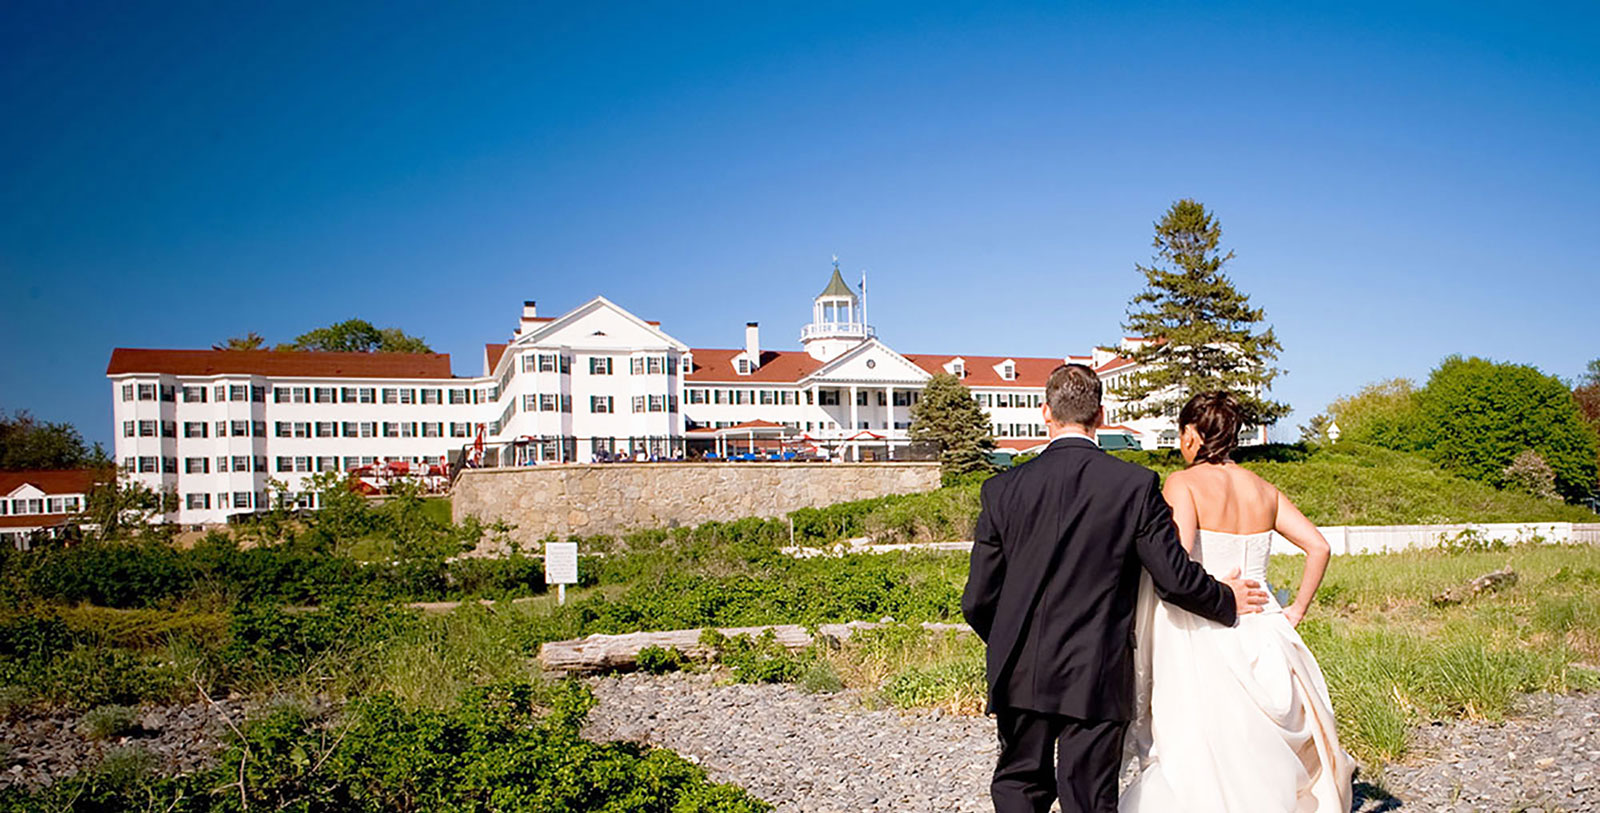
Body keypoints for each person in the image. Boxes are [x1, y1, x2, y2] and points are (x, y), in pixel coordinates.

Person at [962, 364, 1270, 813]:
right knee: (1089, 797)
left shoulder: (1001, 489)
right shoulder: (1134, 485)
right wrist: (1226, 598)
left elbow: (978, 598)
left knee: (1019, 786)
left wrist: (1011, 641)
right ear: (1101, 416)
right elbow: (1173, 578)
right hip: (1097, 668)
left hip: (1020, 669)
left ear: (1045, 412)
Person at [1120, 391, 1354, 812]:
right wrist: (1295, 610)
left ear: (1191, 434)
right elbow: (1319, 547)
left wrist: (1213, 587)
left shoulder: (1183, 484)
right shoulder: (1263, 489)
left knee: (1204, 743)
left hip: (1205, 623)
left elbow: (1178, 563)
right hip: (1266, 625)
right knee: (1260, 742)